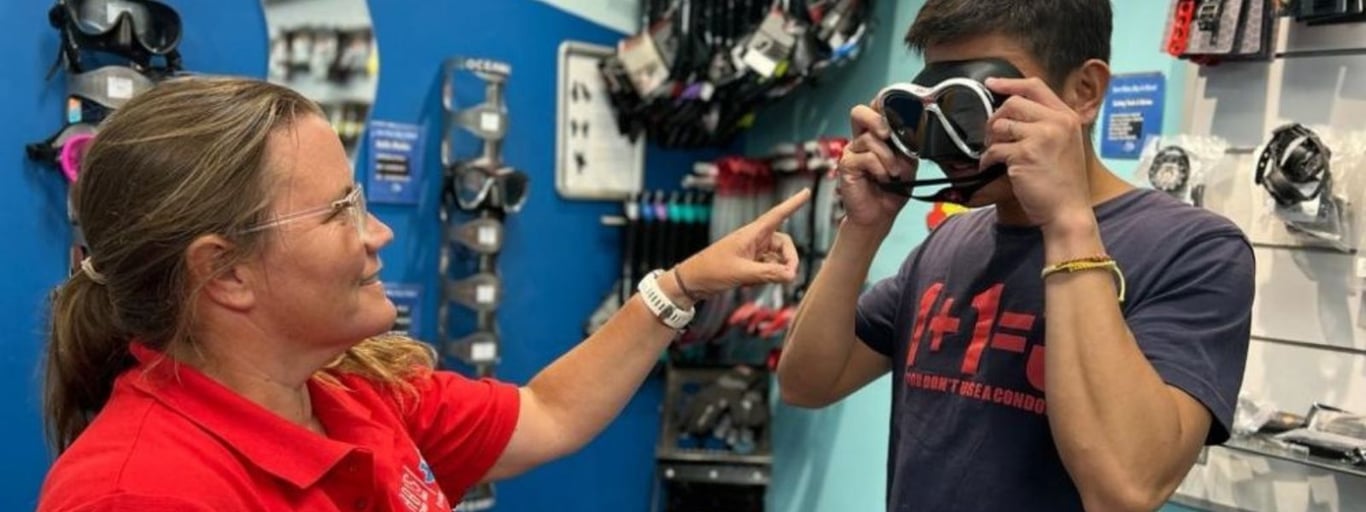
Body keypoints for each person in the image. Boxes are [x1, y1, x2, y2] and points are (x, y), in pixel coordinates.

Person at [37, 76, 811, 511]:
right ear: (224, 273)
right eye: (342, 211)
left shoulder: (351, 393)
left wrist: (681, 286)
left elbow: (548, 414)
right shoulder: (137, 493)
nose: (375, 236)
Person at [777, 1, 1254, 511]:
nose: (951, 139)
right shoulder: (951, 243)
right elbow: (808, 382)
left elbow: (1124, 490)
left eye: (974, 106)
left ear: (1084, 92)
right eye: (929, 107)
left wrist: (1068, 222)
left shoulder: (1196, 251)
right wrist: (862, 231)